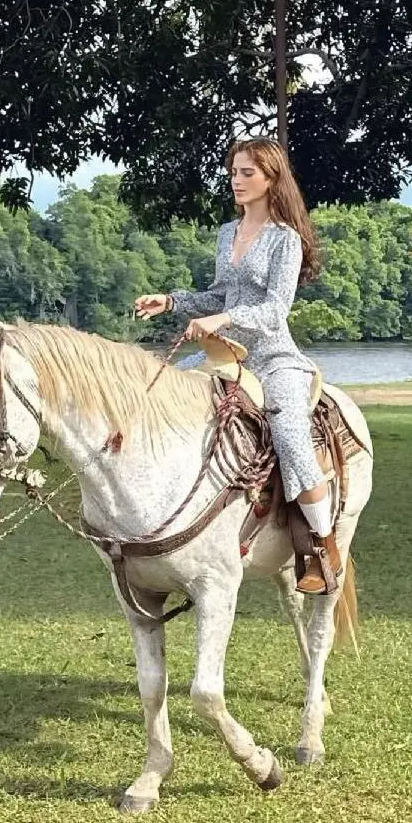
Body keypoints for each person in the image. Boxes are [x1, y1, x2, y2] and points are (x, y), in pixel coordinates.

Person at [134, 137, 340, 594]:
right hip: (222, 355)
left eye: (248, 173)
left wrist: (221, 318)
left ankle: (323, 547)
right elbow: (217, 294)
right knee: (160, 395)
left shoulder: (285, 239)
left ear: (271, 179)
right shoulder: (227, 233)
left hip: (273, 358)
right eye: (234, 173)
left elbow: (273, 310)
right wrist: (170, 301)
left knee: (289, 433)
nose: (238, 181)